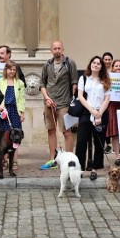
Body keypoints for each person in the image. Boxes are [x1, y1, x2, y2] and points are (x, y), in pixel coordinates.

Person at [39, 40, 78, 169]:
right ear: (51, 50)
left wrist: (72, 99)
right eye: (54, 48)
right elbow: (42, 84)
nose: (57, 50)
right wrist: (46, 98)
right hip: (49, 103)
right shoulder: (47, 65)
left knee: (67, 132)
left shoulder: (69, 63)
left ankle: (69, 159)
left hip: (64, 103)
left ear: (63, 49)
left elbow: (74, 82)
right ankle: (52, 159)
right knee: (51, 130)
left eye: (59, 48)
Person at [75, 56, 111, 172]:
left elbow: (107, 98)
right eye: (94, 63)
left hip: (101, 111)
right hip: (87, 111)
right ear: (90, 64)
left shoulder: (105, 80)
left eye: (98, 63)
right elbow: (80, 96)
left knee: (99, 140)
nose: (95, 65)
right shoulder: (83, 78)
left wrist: (99, 113)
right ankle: (79, 165)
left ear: (101, 67)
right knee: (81, 140)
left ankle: (97, 166)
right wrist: (92, 110)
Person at [0, 60, 26, 170]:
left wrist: (22, 112)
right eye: (10, 69)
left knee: (16, 137)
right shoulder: (0, 82)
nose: (12, 71)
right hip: (3, 111)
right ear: (6, 70)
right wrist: (0, 107)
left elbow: (22, 99)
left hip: (15, 111)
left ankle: (14, 161)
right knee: (4, 137)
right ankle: (4, 160)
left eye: (14, 70)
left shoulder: (20, 83)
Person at [101, 51, 114, 154]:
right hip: (103, 99)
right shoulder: (100, 72)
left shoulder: (115, 72)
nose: (107, 61)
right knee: (105, 121)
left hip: (115, 100)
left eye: (109, 59)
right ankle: (107, 145)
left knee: (112, 122)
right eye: (105, 59)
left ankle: (115, 146)